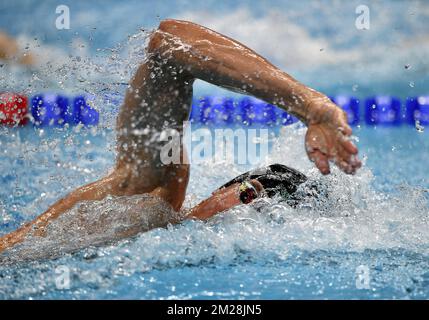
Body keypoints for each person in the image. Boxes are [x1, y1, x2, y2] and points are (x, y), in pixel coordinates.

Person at [0, 19, 361, 259]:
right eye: (245, 192)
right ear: (223, 188)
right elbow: (170, 40)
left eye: (251, 201)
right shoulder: (158, 193)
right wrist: (308, 106)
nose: (238, 207)